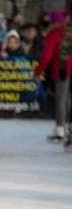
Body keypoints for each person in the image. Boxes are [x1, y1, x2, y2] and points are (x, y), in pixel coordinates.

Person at [35, 10, 70, 142]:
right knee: (68, 100)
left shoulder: (54, 35)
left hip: (62, 70)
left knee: (61, 100)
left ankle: (60, 128)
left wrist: (38, 72)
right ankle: (68, 128)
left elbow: (46, 57)